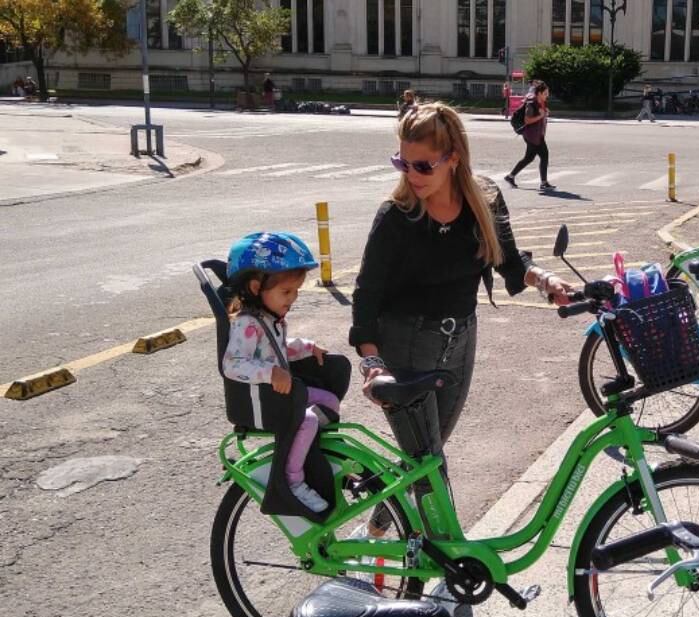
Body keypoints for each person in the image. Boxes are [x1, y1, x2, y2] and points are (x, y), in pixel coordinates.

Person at [350, 102, 573, 519]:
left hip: (461, 340)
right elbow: (366, 295)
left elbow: (508, 261)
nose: (410, 175)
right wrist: (373, 364)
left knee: (426, 460)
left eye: (422, 166)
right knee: (431, 464)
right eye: (403, 163)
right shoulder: (396, 217)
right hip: (407, 345)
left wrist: (546, 280)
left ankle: (382, 529)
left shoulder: (483, 202)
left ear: (453, 158)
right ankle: (448, 565)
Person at [223, 231, 339, 513]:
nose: (293, 298)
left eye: (296, 290)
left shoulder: (269, 319)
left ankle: (308, 452)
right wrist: (270, 373)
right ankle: (293, 479)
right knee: (309, 420)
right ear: (254, 288)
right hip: (268, 401)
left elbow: (277, 348)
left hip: (284, 393)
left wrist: (307, 348)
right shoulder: (247, 324)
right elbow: (232, 364)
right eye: (286, 292)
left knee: (329, 402)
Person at [504, 79, 555, 191]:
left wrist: (544, 113)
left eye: (548, 93)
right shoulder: (531, 104)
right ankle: (543, 183)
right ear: (539, 93)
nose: (547, 95)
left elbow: (541, 116)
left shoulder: (541, 102)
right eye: (545, 93)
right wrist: (541, 116)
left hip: (537, 135)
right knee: (544, 156)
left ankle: (510, 176)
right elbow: (527, 120)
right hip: (532, 136)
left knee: (529, 158)